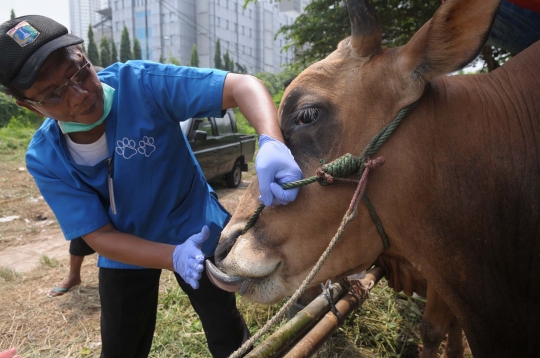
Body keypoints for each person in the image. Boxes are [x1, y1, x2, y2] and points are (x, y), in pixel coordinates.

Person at [0, 14, 302, 358]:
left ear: (83, 54)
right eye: (54, 94)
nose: (80, 94)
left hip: (195, 227)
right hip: (126, 251)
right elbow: (97, 235)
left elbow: (241, 86)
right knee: (121, 345)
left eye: (79, 71)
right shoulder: (46, 156)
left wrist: (271, 141)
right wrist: (171, 256)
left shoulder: (140, 85)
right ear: (28, 106)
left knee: (225, 328)